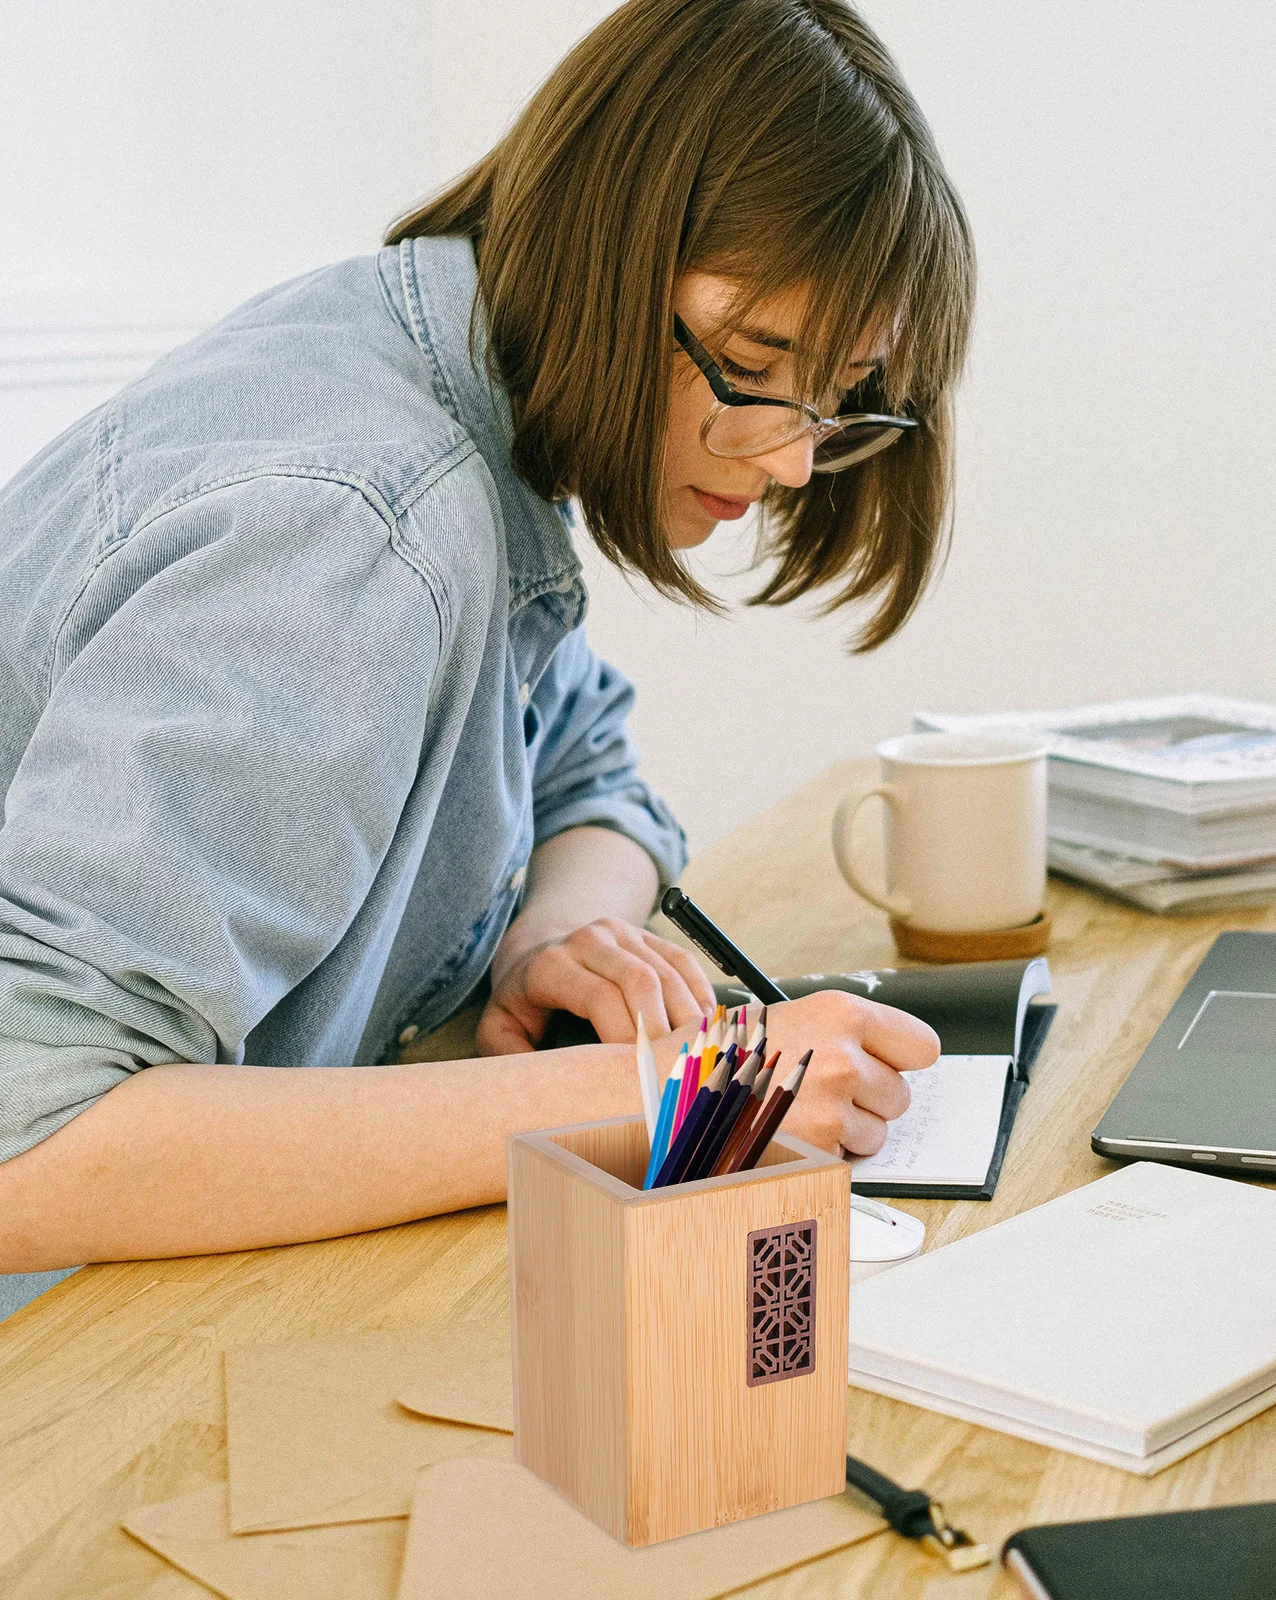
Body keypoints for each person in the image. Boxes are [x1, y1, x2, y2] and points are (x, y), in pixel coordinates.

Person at [0, 0, 974, 1282]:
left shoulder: (450, 378)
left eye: (842, 398)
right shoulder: (352, 531)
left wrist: (556, 937)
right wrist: (676, 1100)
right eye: (755, 362)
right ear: (610, 249)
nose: (794, 457)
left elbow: (592, 770)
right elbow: (32, 1137)